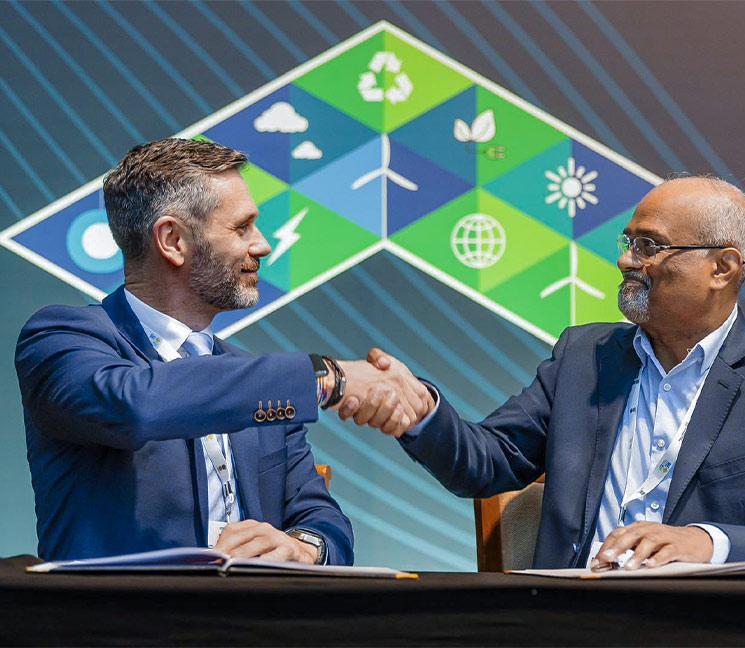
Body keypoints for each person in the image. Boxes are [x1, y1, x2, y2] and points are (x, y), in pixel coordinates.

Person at [350, 176, 745, 571]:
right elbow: (490, 461)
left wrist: (704, 542)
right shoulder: (584, 356)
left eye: (649, 247)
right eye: (628, 241)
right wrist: (421, 414)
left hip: (701, 626)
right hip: (570, 620)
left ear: (721, 268)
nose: (624, 260)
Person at [16, 138, 433, 562]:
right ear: (173, 240)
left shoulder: (253, 381)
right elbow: (135, 404)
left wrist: (303, 547)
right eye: (242, 227)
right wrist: (323, 377)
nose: (263, 245)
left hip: (253, 620)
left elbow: (322, 519)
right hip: (122, 621)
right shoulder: (60, 338)